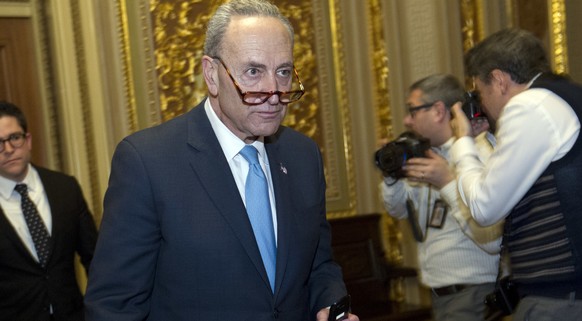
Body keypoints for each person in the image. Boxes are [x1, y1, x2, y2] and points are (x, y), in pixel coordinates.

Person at [84, 1, 359, 320]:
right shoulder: (147, 162)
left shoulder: (302, 155)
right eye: (254, 72)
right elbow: (113, 306)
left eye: (283, 72)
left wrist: (331, 306)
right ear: (211, 75)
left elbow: (319, 264)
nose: (273, 92)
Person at [450, 28, 582, 321]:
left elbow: (484, 207)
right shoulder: (564, 97)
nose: (482, 104)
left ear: (498, 80)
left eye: (480, 92)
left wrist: (462, 143)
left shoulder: (529, 106)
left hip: (561, 299)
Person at [380, 74, 503, 321]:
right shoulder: (422, 153)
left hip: (473, 292)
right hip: (439, 294)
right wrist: (391, 175)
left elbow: (490, 233)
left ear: (437, 110)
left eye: (412, 111)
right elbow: (398, 210)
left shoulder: (479, 152)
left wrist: (447, 182)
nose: (406, 120)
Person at [0, 101, 98, 320]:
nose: (8, 149)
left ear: (28, 140)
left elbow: (95, 259)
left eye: (14, 138)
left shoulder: (65, 188)